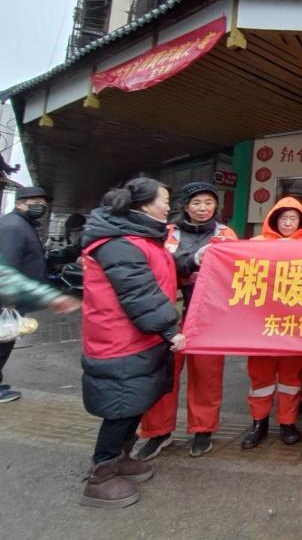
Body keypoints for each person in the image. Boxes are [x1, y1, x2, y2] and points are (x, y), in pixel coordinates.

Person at [79, 178, 185, 508]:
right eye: (163, 200)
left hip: (140, 338)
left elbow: (161, 274)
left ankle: (121, 458)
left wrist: (196, 259)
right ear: (143, 205)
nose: (168, 206)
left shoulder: (141, 239)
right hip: (120, 341)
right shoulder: (119, 244)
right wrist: (170, 330)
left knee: (135, 402)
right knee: (120, 409)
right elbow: (140, 294)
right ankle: (100, 476)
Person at [134, 182, 237, 461]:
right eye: (196, 203)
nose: (203, 208)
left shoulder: (226, 234)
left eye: (208, 202)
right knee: (164, 375)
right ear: (185, 206)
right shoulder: (166, 232)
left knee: (207, 376)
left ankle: (203, 430)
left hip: (210, 317)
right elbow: (159, 266)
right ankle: (158, 432)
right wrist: (193, 260)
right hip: (170, 313)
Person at [241, 197, 302, 450]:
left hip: (295, 324)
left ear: (301, 222)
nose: (288, 223)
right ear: (274, 219)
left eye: (294, 218)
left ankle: (287, 422)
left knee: (291, 379)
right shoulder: (255, 244)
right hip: (261, 324)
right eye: (283, 218)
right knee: (260, 378)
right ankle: (258, 423)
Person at [0, 186, 51, 403]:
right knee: (3, 341)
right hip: (7, 300)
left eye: (43, 204)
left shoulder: (20, 224)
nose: (41, 207)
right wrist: (8, 301)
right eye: (35, 203)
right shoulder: (14, 226)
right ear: (19, 204)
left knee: (5, 341)